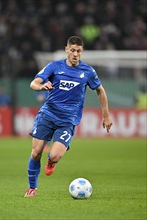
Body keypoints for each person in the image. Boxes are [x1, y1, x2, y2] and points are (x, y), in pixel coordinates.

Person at [24, 36, 112, 197]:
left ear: (82, 51)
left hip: (67, 120)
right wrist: (41, 86)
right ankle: (32, 188)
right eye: (72, 50)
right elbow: (33, 83)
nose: (75, 54)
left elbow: (100, 90)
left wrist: (106, 115)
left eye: (78, 51)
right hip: (47, 115)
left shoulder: (88, 71)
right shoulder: (54, 66)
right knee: (36, 152)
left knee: (55, 155)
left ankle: (51, 161)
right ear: (66, 50)